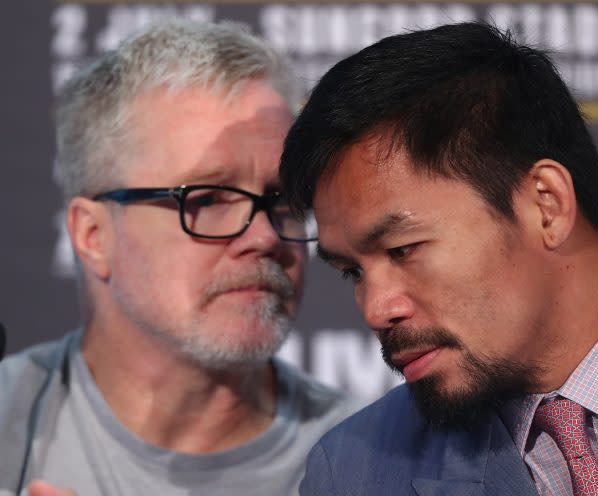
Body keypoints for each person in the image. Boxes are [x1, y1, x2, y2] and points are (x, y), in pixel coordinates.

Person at [279, 22, 598, 496]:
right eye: (352, 272)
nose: (376, 309)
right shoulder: (355, 474)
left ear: (546, 205)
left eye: (403, 249)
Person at [0, 19, 358, 496]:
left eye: (283, 199)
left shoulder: (369, 461)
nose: (262, 237)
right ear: (92, 235)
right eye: (207, 199)